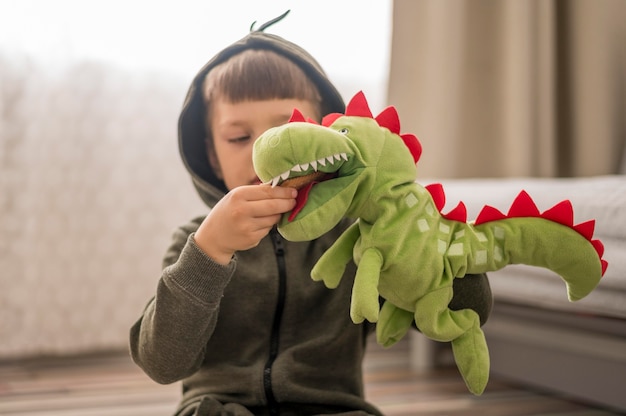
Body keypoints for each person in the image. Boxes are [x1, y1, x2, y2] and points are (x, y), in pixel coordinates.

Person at [129, 11, 493, 416]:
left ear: (326, 137)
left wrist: (418, 232)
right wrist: (209, 253)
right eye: (238, 137)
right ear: (211, 156)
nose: (264, 155)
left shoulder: (361, 235)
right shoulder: (195, 243)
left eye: (288, 131)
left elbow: (468, 312)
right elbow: (161, 362)